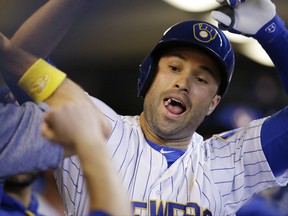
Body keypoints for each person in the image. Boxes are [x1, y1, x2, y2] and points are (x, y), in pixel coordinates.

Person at [1, 0, 288, 215]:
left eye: (201, 79)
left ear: (213, 104)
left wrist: (273, 33)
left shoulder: (229, 160)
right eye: (174, 67)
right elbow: (19, 59)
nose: (183, 83)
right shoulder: (98, 126)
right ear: (148, 77)